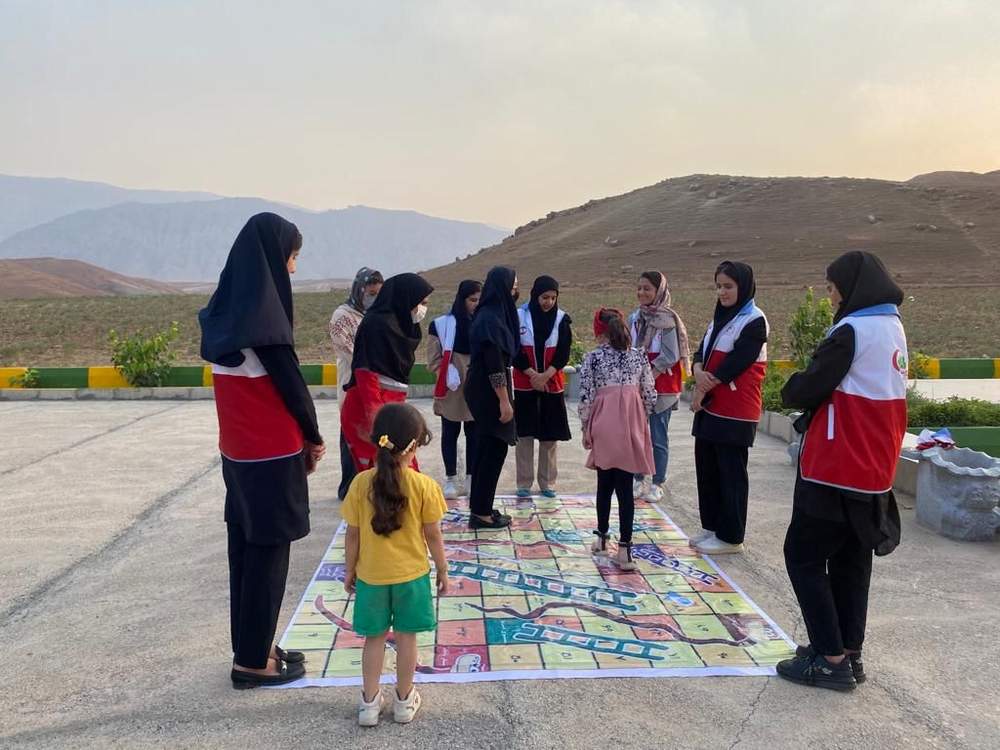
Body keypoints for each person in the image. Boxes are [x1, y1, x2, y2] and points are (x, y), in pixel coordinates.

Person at [198, 212, 326, 689]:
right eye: (291, 257)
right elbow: (294, 391)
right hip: (272, 453)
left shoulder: (225, 313)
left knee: (246, 549)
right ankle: (252, 664)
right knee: (269, 555)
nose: (292, 268)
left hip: (238, 452)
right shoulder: (266, 322)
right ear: (272, 257)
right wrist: (313, 437)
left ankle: (254, 645)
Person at [776, 251, 906, 692]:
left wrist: (791, 387)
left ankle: (830, 660)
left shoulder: (851, 330)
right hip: (873, 466)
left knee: (804, 556)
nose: (830, 298)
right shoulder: (891, 326)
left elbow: (810, 386)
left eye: (832, 289)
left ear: (850, 288)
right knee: (852, 559)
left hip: (836, 464)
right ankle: (848, 650)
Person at [343, 402, 448, 726]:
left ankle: (369, 704)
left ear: (377, 440)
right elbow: (433, 535)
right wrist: (443, 569)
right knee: (406, 638)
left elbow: (352, 535)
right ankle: (404, 701)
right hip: (411, 577)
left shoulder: (360, 484)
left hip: (371, 577)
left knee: (373, 639)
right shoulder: (424, 486)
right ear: (414, 446)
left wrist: (349, 570)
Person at [689, 261, 768, 555]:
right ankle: (712, 527)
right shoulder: (719, 318)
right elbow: (701, 350)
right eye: (719, 286)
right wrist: (697, 370)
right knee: (707, 469)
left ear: (743, 287)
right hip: (712, 407)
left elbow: (736, 363)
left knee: (731, 474)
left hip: (736, 411)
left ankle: (731, 537)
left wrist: (701, 387)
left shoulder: (755, 321)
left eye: (728, 286)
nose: (722, 292)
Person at [578, 308, 657, 571]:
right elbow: (650, 394)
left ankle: (601, 539)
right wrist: (641, 418)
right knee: (625, 487)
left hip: (604, 420)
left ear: (599, 331)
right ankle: (625, 551)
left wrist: (585, 427)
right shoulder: (639, 356)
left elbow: (586, 396)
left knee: (604, 483)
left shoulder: (593, 358)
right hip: (632, 421)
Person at [340, 273, 434, 473]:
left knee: (405, 474)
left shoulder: (403, 327)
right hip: (368, 416)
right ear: (405, 299)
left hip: (392, 413)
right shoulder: (376, 325)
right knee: (381, 477)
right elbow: (366, 375)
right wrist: (379, 426)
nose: (422, 309)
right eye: (421, 303)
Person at [464, 266, 520, 529]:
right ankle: (481, 513)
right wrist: (504, 400)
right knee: (493, 449)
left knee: (487, 447)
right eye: (513, 286)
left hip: (486, 387)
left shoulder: (492, 314)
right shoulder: (489, 319)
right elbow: (494, 364)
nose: (515, 291)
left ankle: (481, 507)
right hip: (488, 390)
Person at [628, 270, 691, 502]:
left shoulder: (667, 320)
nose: (641, 292)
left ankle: (657, 482)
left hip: (661, 387)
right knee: (637, 435)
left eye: (647, 289)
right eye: (639, 288)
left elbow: (670, 355)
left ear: (659, 291)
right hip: (637, 386)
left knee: (657, 437)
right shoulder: (635, 318)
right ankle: (637, 479)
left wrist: (648, 375)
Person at [512, 275, 573, 498]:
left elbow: (563, 353)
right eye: (544, 297)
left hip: (551, 385)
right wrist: (532, 375)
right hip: (524, 384)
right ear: (535, 295)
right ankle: (524, 483)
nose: (548, 302)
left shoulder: (562, 319)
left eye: (553, 298)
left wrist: (545, 377)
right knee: (524, 435)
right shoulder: (518, 316)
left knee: (549, 436)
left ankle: (547, 483)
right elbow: (514, 350)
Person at [330, 267, 384, 499]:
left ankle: (370, 486)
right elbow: (352, 352)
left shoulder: (375, 315)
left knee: (373, 436)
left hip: (374, 384)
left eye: (378, 294)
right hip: (352, 382)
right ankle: (350, 489)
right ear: (359, 290)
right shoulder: (342, 317)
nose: (374, 298)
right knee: (351, 436)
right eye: (370, 293)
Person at [427, 280, 482, 498]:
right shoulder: (440, 325)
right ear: (462, 299)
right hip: (451, 385)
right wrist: (446, 370)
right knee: (450, 432)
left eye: (479, 300)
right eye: (472, 300)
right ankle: (450, 478)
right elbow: (433, 359)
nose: (476, 304)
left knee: (474, 433)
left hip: (475, 384)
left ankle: (471, 477)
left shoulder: (483, 323)